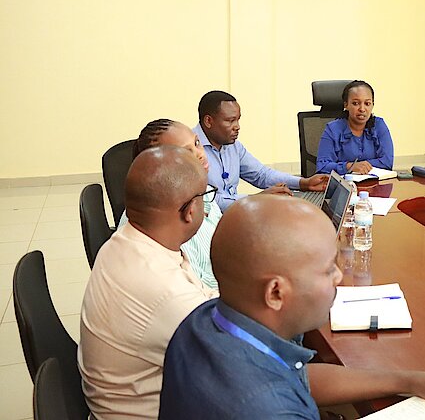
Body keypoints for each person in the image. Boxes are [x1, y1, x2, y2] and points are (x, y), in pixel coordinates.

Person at [159, 195, 425, 420]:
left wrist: (413, 380)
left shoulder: (207, 321)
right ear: (276, 293)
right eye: (327, 270)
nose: (339, 276)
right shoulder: (265, 409)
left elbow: (296, 378)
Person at [79, 146, 217, 420]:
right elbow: (239, 356)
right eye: (206, 196)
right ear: (190, 211)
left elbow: (205, 299)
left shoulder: (123, 242)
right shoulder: (167, 291)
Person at [117, 118, 221, 290]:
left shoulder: (206, 190)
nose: (200, 154)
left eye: (197, 143)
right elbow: (197, 290)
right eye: (186, 153)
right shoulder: (168, 223)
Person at [195, 90, 329, 212]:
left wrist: (303, 183)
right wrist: (257, 199)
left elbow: (261, 174)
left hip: (235, 215)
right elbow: (208, 202)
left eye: (238, 120)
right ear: (208, 121)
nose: (237, 127)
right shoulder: (190, 149)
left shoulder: (233, 145)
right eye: (230, 121)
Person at [316, 80, 394, 175]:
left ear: (372, 105)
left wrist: (362, 166)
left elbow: (387, 162)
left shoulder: (379, 125)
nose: (362, 109)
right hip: (344, 183)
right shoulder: (333, 129)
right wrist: (349, 166)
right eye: (356, 103)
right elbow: (322, 166)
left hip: (374, 182)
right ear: (346, 104)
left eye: (367, 103)